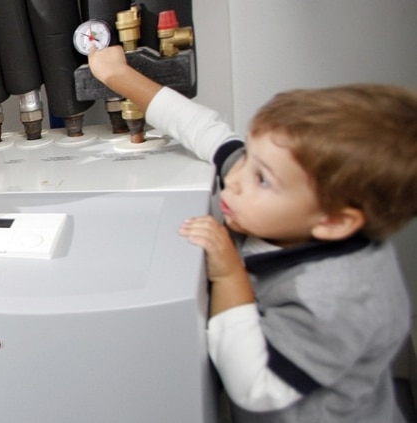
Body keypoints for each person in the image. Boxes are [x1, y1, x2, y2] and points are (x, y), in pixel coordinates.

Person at [90, 45, 417, 422]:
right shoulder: (283, 195)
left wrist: (230, 277)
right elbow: (207, 133)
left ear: (333, 222)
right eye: (249, 159)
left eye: (262, 177)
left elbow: (255, 387)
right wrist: (118, 76)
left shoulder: (337, 298)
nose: (235, 180)